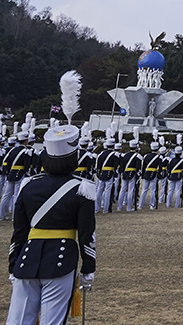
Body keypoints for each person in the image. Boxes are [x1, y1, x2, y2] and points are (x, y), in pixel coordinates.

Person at [6, 123, 97, 325]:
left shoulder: (28, 185)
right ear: (74, 157)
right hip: (61, 261)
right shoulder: (83, 188)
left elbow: (19, 232)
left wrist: (13, 264)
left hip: (26, 260)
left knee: (18, 321)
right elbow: (86, 234)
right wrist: (88, 268)